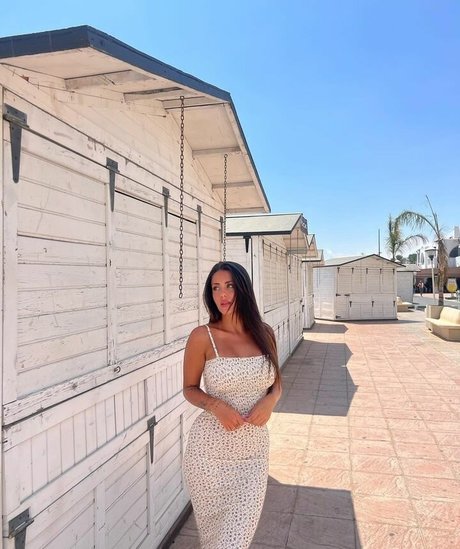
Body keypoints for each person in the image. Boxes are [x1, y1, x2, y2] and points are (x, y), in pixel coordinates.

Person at [182, 261, 282, 548]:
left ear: (244, 289)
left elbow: (276, 382)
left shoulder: (265, 333)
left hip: (253, 455)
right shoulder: (202, 336)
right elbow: (189, 389)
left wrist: (271, 401)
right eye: (215, 288)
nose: (222, 294)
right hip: (209, 457)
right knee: (215, 541)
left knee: (234, 540)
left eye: (229, 286)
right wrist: (216, 406)